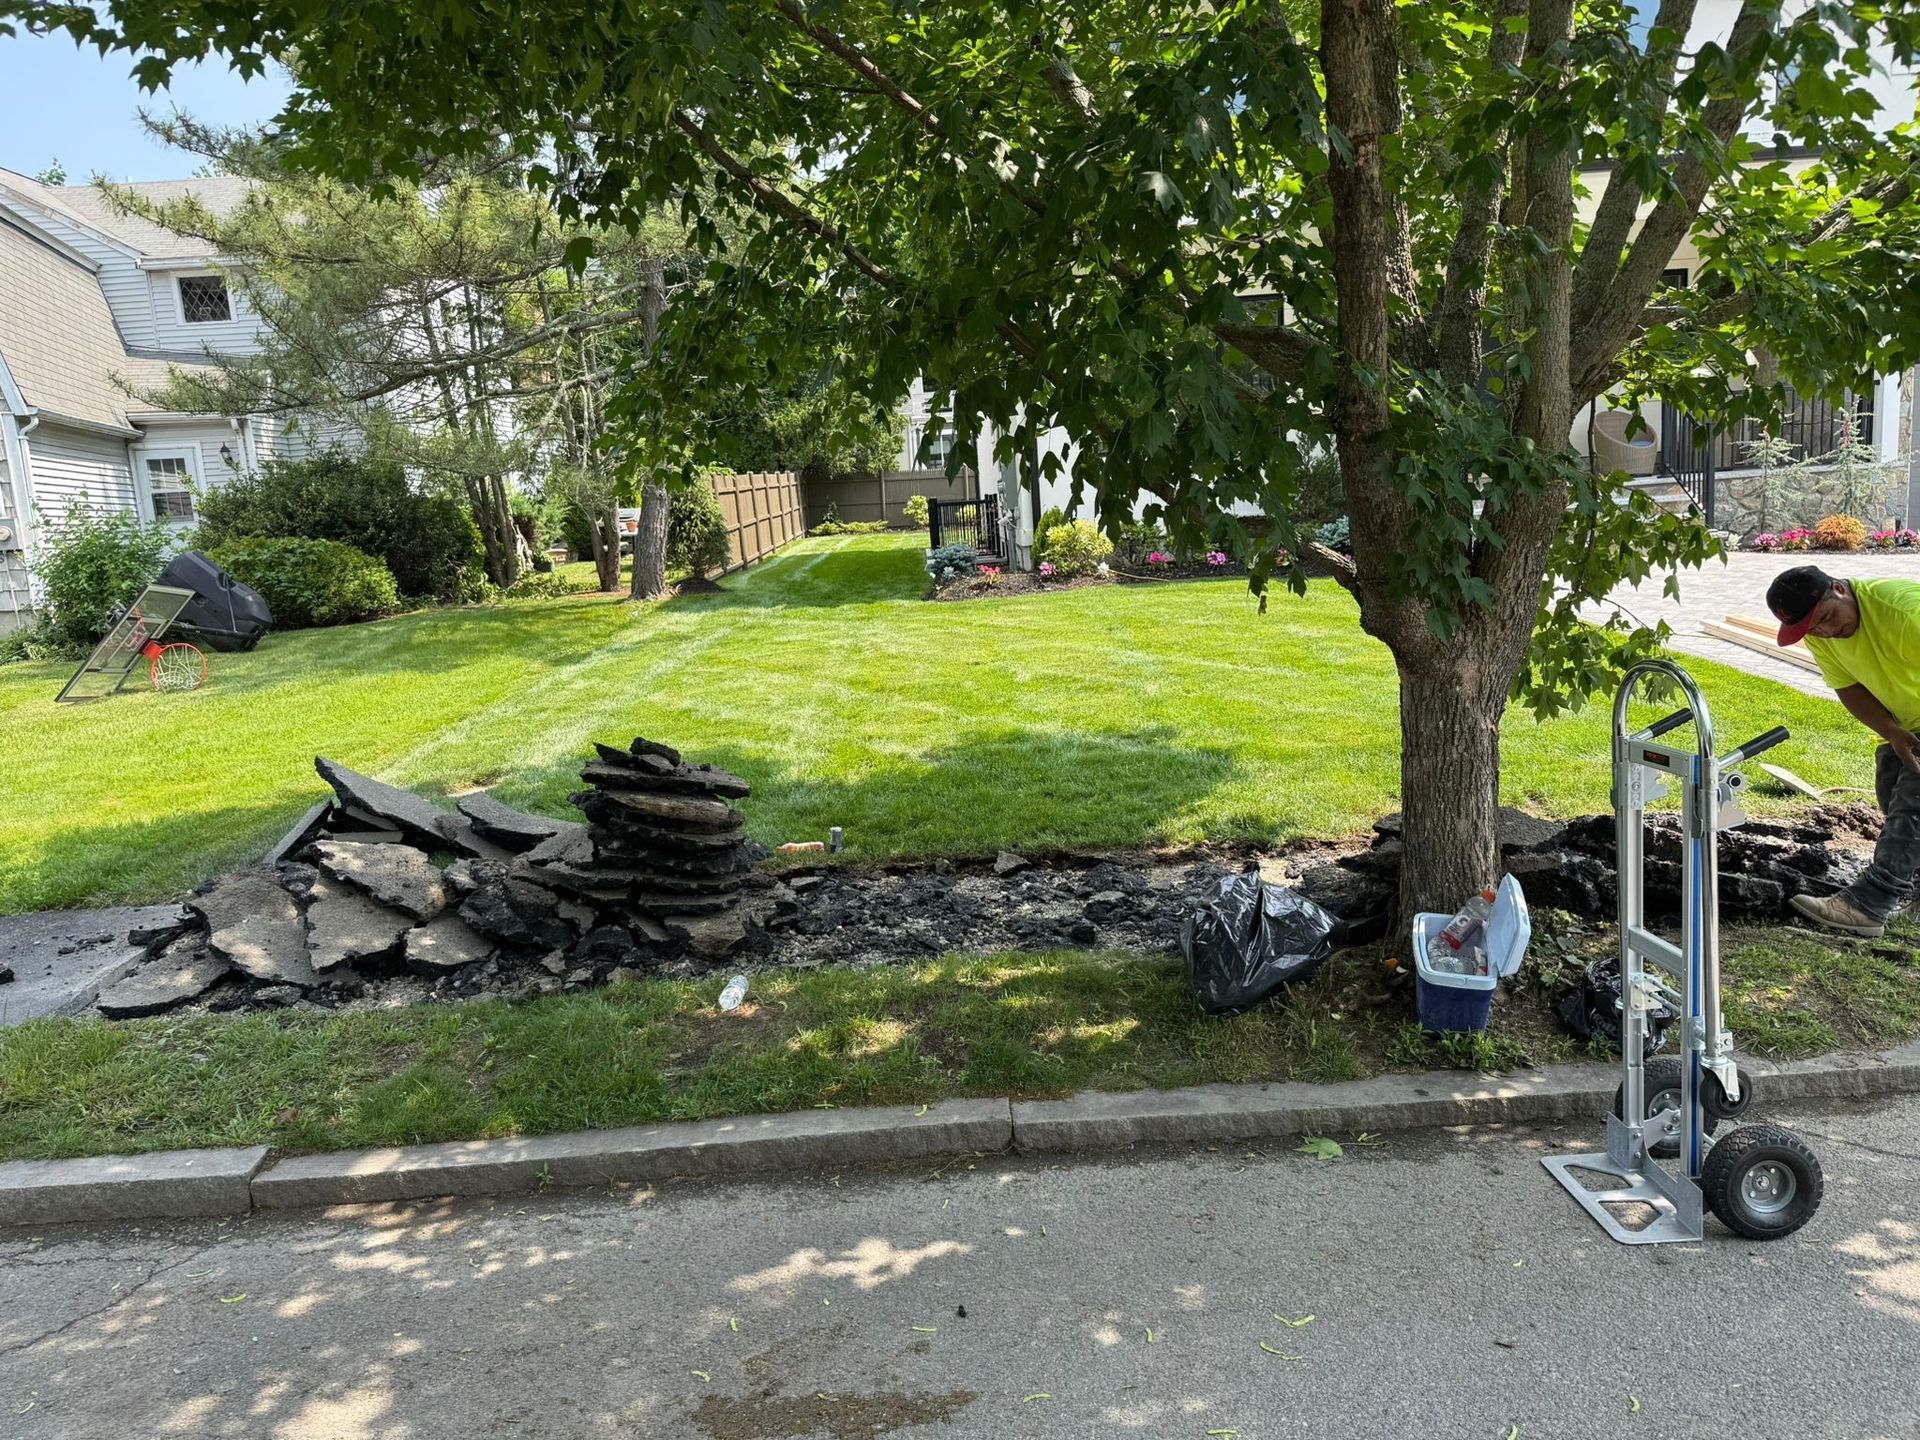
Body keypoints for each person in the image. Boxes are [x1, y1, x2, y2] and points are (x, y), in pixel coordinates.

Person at [1770, 564, 1920, 938]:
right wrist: (1891, 731)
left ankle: (1868, 904)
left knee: (1914, 803)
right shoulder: (1820, 634)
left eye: (1826, 619)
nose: (1825, 632)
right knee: (1890, 785)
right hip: (1910, 718)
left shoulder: (1905, 613)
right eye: (1813, 629)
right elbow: (1849, 687)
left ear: (1838, 589)